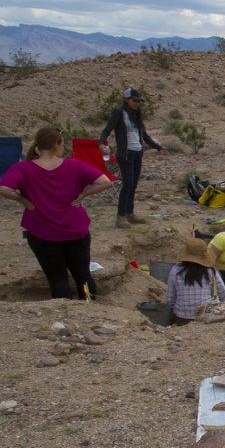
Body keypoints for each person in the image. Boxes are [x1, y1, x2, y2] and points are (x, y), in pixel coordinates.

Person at [0, 127, 111, 300]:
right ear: (56, 145)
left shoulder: (23, 168)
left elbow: (4, 189)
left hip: (42, 232)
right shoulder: (74, 165)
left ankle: (64, 312)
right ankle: (89, 307)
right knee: (83, 276)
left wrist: (23, 200)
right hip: (75, 230)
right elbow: (105, 182)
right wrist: (83, 195)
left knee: (57, 278)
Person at [98, 87, 167, 228]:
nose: (137, 103)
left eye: (138, 101)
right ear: (126, 100)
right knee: (128, 184)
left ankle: (129, 213)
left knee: (133, 185)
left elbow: (145, 136)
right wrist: (101, 142)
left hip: (137, 153)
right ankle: (120, 217)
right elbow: (107, 129)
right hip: (125, 154)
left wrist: (158, 147)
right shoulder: (119, 113)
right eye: (134, 100)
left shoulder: (137, 116)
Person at [165, 238, 225, 325]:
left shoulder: (175, 270)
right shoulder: (210, 271)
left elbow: (170, 298)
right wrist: (223, 306)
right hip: (205, 317)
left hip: (182, 317)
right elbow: (223, 292)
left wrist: (171, 314)